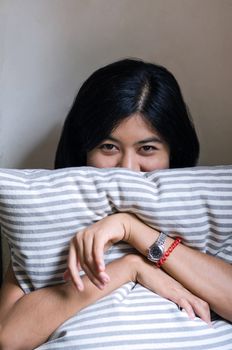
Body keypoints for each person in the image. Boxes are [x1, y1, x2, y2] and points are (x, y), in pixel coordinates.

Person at [0, 58, 231, 349]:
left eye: (147, 148)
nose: (127, 169)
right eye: (109, 147)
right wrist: (129, 268)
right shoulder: (50, 208)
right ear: (84, 149)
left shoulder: (205, 207)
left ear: (174, 152)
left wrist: (132, 229)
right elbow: (8, 338)